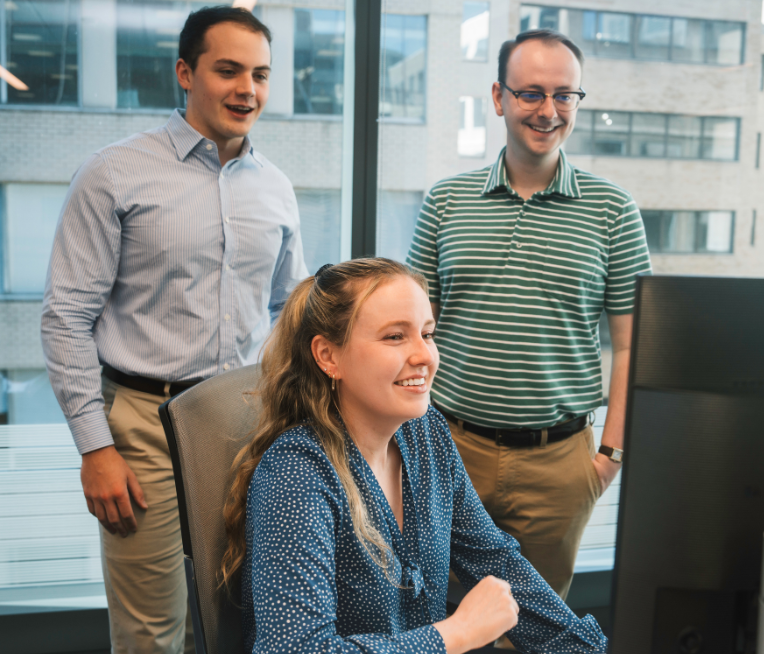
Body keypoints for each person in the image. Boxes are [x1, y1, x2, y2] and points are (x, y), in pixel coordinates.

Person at [40, 7, 306, 653]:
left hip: (241, 424)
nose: (248, 89)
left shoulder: (275, 186)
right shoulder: (114, 173)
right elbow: (66, 316)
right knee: (151, 632)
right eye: (228, 70)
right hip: (140, 426)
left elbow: (290, 312)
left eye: (261, 74)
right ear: (186, 73)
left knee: (231, 616)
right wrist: (96, 449)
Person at [221, 258, 607, 653]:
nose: (425, 356)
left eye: (428, 334)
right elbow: (296, 650)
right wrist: (455, 634)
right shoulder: (296, 475)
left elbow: (496, 561)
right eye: (395, 337)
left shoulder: (425, 434)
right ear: (328, 357)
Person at [406, 29, 652, 601]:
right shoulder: (446, 201)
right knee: (434, 616)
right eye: (531, 94)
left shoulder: (614, 210)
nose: (548, 110)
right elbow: (412, 337)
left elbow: (636, 345)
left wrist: (609, 457)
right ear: (499, 97)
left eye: (565, 95)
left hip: (559, 464)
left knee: (536, 626)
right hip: (448, 450)